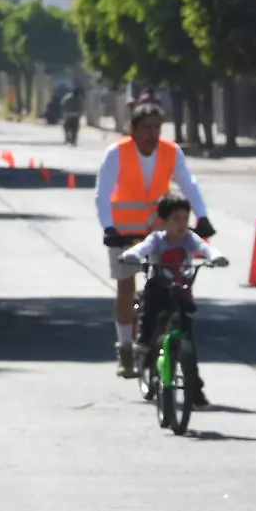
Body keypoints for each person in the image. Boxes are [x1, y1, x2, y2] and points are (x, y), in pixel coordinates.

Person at [98, 99, 214, 381]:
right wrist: (109, 228)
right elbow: (102, 194)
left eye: (157, 127)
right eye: (146, 128)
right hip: (123, 234)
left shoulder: (170, 152)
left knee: (169, 284)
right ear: (133, 130)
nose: (152, 133)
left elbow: (189, 184)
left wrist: (203, 217)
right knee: (126, 287)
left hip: (158, 233)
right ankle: (125, 349)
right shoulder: (117, 153)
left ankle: (162, 335)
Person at [121, 195, 221, 401]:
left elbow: (204, 247)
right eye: (176, 219)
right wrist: (133, 254)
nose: (182, 224)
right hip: (158, 289)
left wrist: (215, 256)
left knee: (188, 342)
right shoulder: (156, 239)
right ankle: (143, 346)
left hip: (181, 291)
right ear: (163, 222)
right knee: (150, 315)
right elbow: (143, 248)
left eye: (186, 219)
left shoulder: (189, 238)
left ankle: (195, 390)